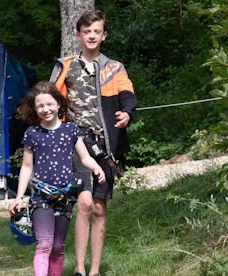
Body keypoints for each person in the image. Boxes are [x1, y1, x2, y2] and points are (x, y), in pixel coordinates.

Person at [47, 11, 137, 276]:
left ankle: (95, 270)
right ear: (78, 35)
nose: (92, 36)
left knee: (99, 207)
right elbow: (48, 99)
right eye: (87, 32)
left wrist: (127, 114)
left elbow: (129, 96)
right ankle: (79, 269)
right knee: (84, 203)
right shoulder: (64, 65)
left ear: (104, 35)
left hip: (105, 145)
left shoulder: (114, 67)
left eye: (97, 31)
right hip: (75, 142)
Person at [9, 81, 105, 276]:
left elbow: (85, 157)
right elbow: (27, 167)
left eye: (49, 104)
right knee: (44, 244)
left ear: (59, 104)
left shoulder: (70, 130)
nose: (45, 109)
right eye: (40, 106)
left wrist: (96, 168)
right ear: (34, 109)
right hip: (41, 198)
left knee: (57, 247)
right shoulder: (32, 133)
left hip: (64, 198)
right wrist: (19, 196)